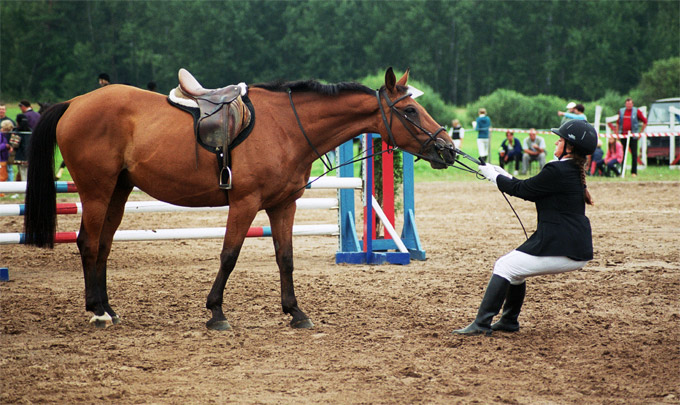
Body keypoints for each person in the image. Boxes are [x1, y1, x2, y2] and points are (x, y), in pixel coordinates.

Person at [452, 119, 597, 336]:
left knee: (504, 266)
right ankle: (509, 321)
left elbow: (523, 190)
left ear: (570, 147)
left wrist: (493, 176)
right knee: (515, 272)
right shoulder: (569, 169)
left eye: (560, 140)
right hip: (572, 244)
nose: (556, 142)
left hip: (562, 245)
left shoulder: (557, 170)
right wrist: (500, 173)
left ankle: (481, 324)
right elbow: (531, 187)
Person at [614, 97, 647, 177]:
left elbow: (645, 121)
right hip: (623, 135)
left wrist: (640, 133)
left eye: (630, 104)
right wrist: (617, 133)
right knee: (622, 154)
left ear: (632, 104)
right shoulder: (621, 111)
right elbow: (618, 123)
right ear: (625, 104)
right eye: (627, 104)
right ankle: (622, 171)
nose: (628, 105)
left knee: (634, 154)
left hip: (633, 136)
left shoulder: (637, 111)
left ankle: (634, 172)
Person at [9, 114, 31, 181]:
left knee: (23, 174)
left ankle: (25, 189)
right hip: (30, 156)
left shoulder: (17, 132)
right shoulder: (31, 131)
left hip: (21, 156)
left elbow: (14, 144)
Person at [0, 120, 13, 191]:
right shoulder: (0, 136)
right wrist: (5, 145)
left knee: (4, 175)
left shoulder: (3, 136)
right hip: (1, 159)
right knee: (2, 176)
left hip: (3, 158)